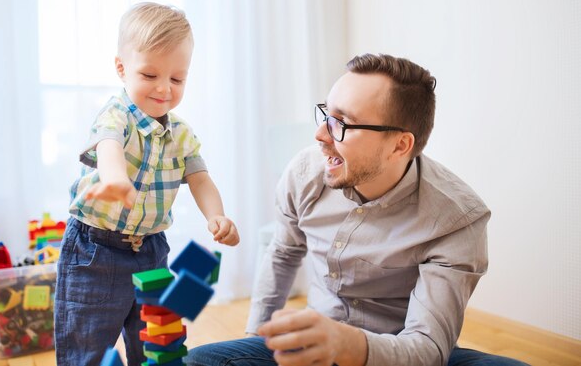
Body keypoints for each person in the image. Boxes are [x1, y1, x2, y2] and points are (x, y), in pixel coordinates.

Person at [185, 54, 528, 366]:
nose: (320, 135)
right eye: (325, 114)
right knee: (202, 361)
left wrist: (348, 345)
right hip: (316, 349)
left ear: (400, 145)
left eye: (342, 123)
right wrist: (258, 340)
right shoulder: (305, 172)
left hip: (398, 354)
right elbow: (284, 252)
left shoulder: (456, 219)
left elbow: (425, 349)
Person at [54, 2, 240, 366]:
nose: (164, 89)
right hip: (95, 251)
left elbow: (200, 178)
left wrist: (217, 216)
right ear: (122, 69)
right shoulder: (115, 115)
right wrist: (115, 180)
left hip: (151, 250)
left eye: (177, 79)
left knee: (158, 346)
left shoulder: (183, 134)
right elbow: (108, 146)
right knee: (87, 347)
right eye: (150, 75)